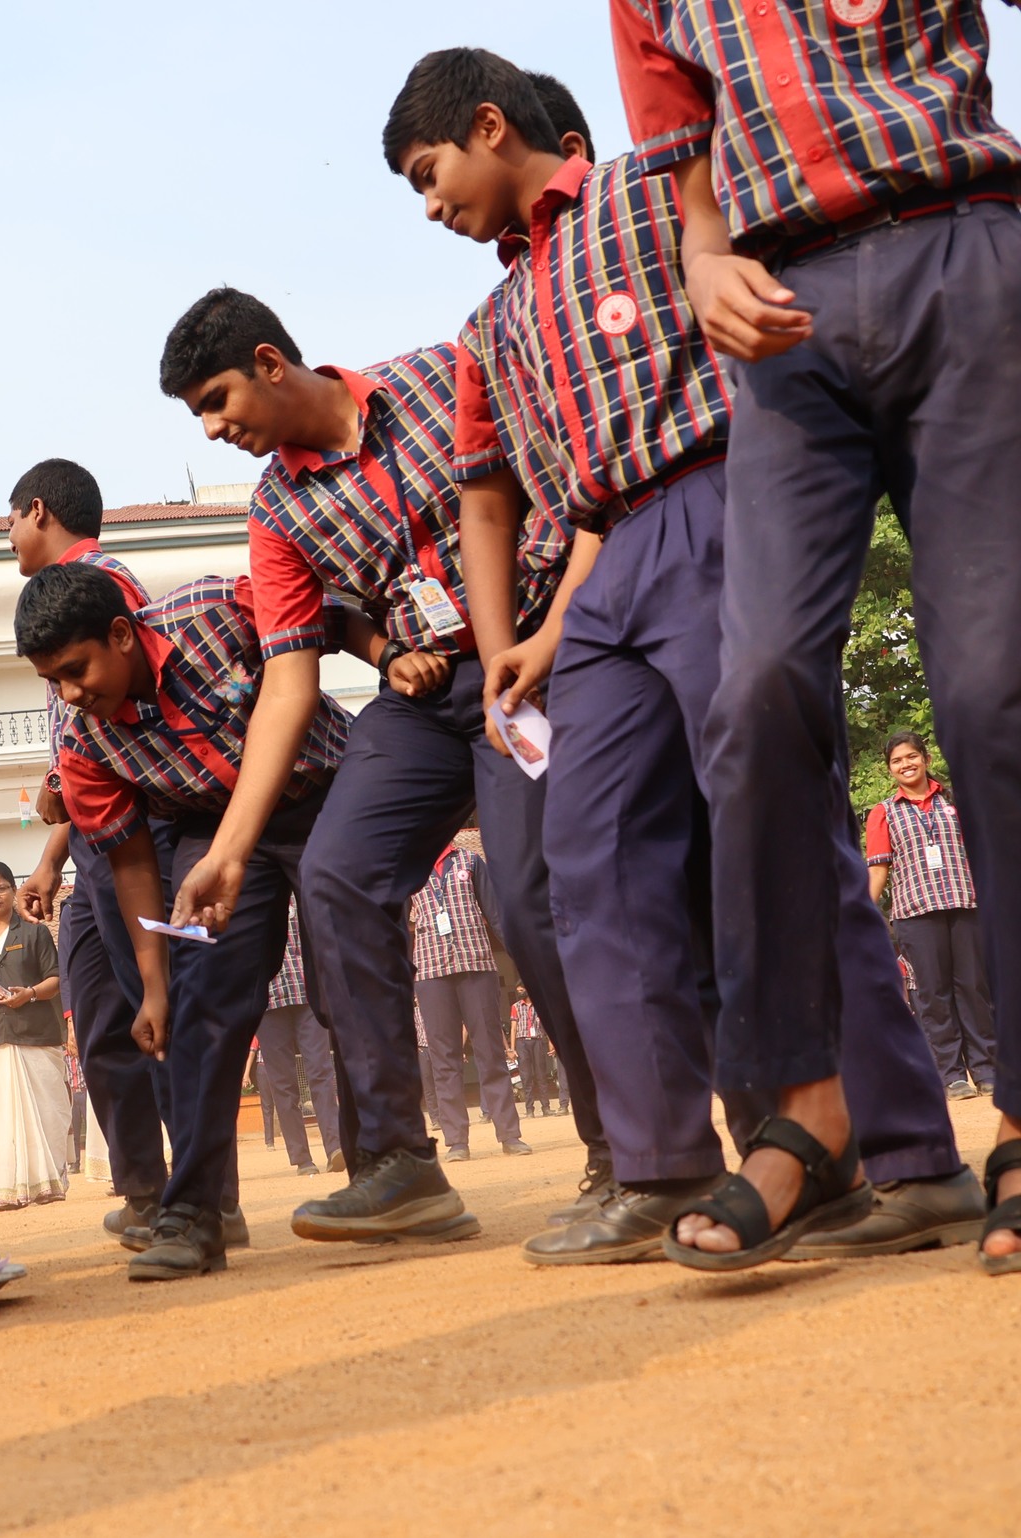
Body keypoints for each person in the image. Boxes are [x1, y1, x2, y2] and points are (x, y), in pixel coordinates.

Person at [385, 47, 973, 1267]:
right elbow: (488, 497)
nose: (428, 205)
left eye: (427, 173)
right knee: (583, 858)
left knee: (777, 833)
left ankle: (906, 1154)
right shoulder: (483, 326)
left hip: (728, 498)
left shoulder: (660, 188)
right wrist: (514, 642)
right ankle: (658, 1165)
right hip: (599, 577)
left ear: (489, 127)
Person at [155, 286, 610, 1247]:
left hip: (534, 660)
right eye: (199, 413)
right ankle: (401, 1164)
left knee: (529, 891)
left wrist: (561, 628)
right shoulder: (279, 509)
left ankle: (624, 1146)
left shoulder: (444, 381)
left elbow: (574, 487)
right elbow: (288, 680)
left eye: (218, 399)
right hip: (425, 701)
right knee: (333, 872)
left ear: (272, 363)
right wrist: (233, 850)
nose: (215, 426)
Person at [16, 564, 358, 1279]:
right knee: (204, 997)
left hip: (321, 795)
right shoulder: (84, 744)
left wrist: (390, 656)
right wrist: (154, 986)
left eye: (77, 670)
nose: (72, 695)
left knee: (348, 984)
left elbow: (324, 616)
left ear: (122, 634)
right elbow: (134, 865)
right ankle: (196, 1211)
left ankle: (385, 1167)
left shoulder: (213, 611)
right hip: (213, 833)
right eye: (55, 682)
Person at [8, 459, 177, 1240]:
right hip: (88, 844)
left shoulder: (105, 583)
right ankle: (146, 1188)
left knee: (155, 1008)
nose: (9, 540)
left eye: (9, 522)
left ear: (37, 511)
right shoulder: (53, 608)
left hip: (133, 839)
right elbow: (78, 750)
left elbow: (121, 724)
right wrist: (50, 855)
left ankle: (201, 1196)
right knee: (101, 1017)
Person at [867, 732, 996, 1098]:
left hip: (966, 904)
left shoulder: (957, 800)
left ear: (925, 758)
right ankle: (951, 1075)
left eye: (911, 757)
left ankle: (986, 1070)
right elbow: (879, 870)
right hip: (915, 913)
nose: (905, 764)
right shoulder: (884, 813)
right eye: (897, 761)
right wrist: (861, 915)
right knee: (933, 995)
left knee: (974, 989)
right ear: (890, 769)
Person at [0, 862, 69, 1211]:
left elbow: (56, 978)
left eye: (1, 888)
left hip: (36, 1037)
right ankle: (4, 1189)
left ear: (13, 889)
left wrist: (30, 993)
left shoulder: (34, 933)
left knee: (47, 1111)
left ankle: (48, 1184)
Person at [409, 840, 529, 1161]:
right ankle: (456, 1141)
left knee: (489, 1049)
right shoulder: (405, 866)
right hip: (430, 971)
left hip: (476, 963)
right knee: (444, 1057)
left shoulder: (471, 861)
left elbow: (496, 914)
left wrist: (524, 960)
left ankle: (509, 1134)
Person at [255, 901, 347, 1175]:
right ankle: (302, 1158)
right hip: (267, 1001)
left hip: (306, 994)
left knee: (321, 1071)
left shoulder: (299, 894)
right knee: (282, 1083)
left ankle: (335, 1147)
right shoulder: (247, 902)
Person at [512, 990, 557, 1117]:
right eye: (518, 991)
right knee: (526, 1077)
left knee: (541, 1075)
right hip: (522, 1042)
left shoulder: (539, 1006)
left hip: (537, 1041)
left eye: (522, 990)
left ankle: (546, 1107)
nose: (520, 993)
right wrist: (512, 1048)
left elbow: (545, 1026)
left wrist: (550, 1043)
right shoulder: (515, 1007)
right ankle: (529, 1109)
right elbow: (513, 1028)